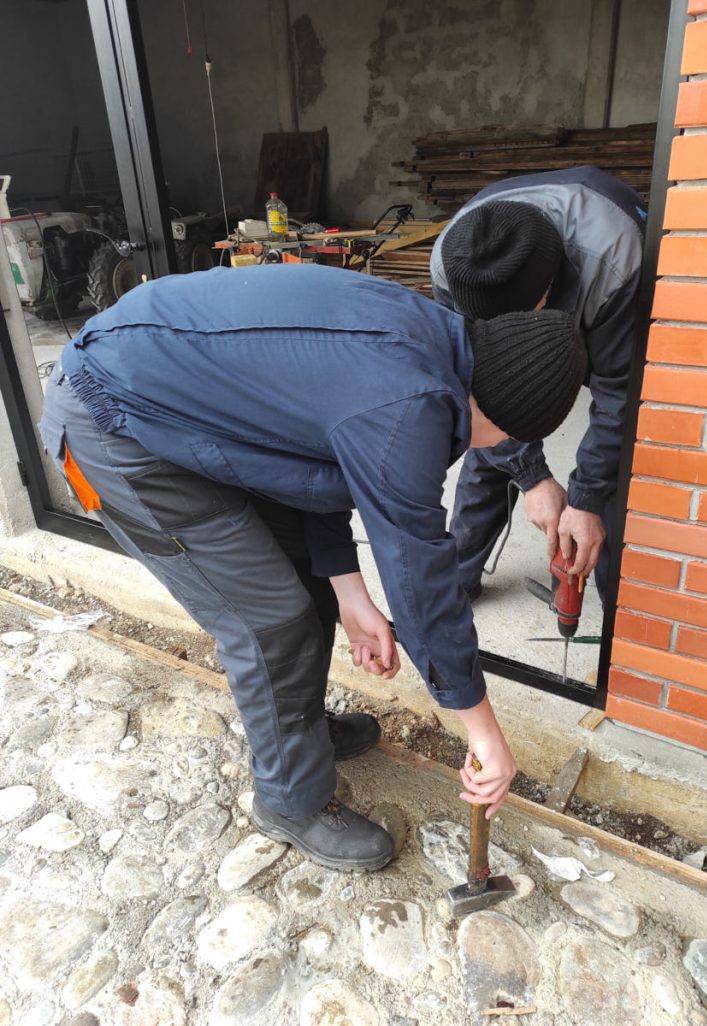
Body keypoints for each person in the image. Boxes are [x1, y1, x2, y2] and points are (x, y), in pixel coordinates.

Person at [39, 263, 585, 872]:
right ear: (504, 418)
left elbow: (316, 458)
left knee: (309, 582)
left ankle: (298, 732)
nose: (488, 451)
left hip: (172, 402)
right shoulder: (408, 407)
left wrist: (351, 597)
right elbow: (422, 582)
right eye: (501, 441)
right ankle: (291, 801)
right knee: (271, 620)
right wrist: (483, 732)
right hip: (112, 424)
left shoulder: (431, 341)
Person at [430, 166, 646, 601]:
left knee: (611, 478)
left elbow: (619, 396)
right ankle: (456, 585)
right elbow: (476, 397)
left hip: (603, 303)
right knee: (488, 440)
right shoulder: (454, 264)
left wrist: (583, 498)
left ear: (549, 288)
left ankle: (614, 607)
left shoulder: (616, 261)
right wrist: (533, 477)